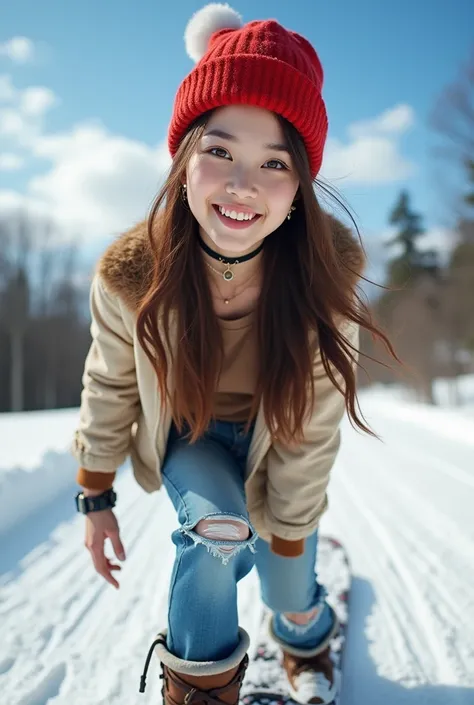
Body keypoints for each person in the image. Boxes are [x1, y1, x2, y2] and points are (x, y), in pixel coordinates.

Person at [71, 4, 397, 704]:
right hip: (193, 438)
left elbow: (311, 432)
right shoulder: (132, 277)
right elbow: (110, 383)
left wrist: (285, 537)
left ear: (298, 188)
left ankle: (306, 631)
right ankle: (200, 689)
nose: (242, 183)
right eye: (219, 151)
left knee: (286, 583)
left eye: (273, 163)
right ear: (183, 158)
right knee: (217, 534)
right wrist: (95, 491)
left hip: (277, 438)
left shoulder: (323, 281)